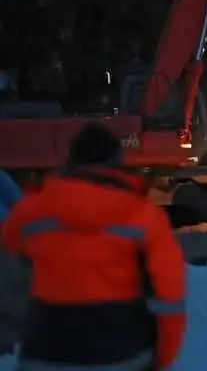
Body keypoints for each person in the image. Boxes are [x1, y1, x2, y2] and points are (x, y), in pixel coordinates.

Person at [1, 121, 187, 371]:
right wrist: (162, 357)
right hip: (124, 359)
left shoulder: (28, 216)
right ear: (116, 162)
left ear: (71, 162)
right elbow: (169, 297)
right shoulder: (145, 219)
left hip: (46, 359)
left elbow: (8, 287)